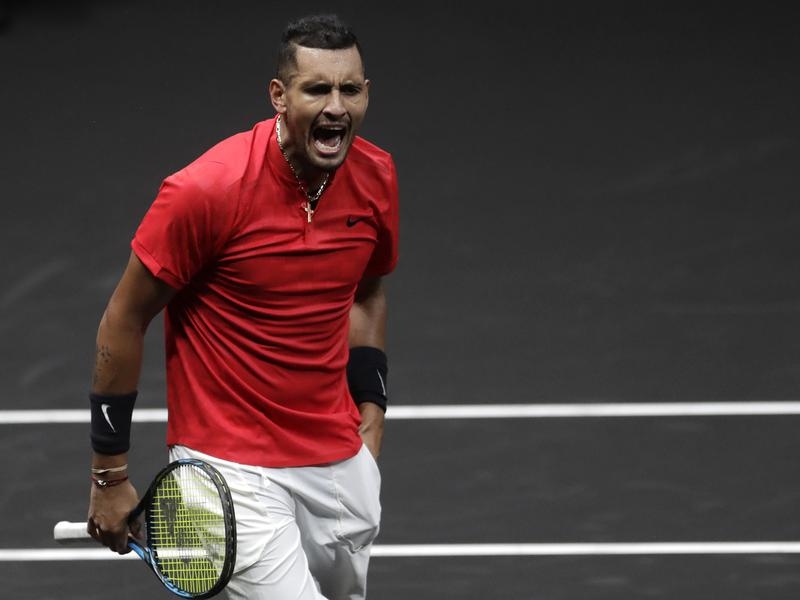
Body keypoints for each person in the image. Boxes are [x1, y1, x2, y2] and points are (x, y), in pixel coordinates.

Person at [85, 13, 398, 600]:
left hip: (337, 459)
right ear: (279, 96)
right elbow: (124, 318)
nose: (336, 107)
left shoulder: (375, 177)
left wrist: (372, 405)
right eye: (317, 89)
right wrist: (109, 474)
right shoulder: (207, 191)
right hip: (228, 465)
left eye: (350, 90)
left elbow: (366, 291)